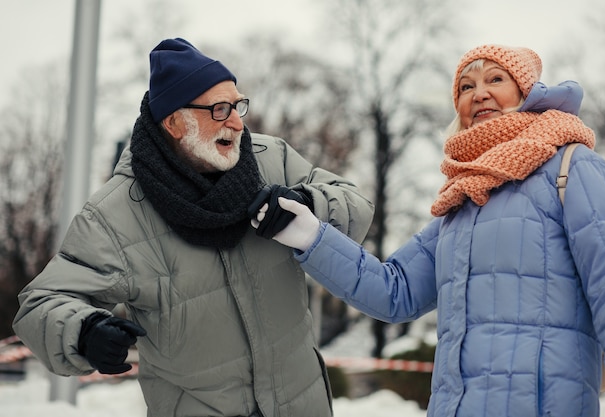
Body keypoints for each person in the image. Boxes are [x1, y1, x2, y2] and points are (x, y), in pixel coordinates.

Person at [251, 44, 605, 417]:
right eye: (466, 86)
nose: (479, 93)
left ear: (528, 93)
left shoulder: (574, 168)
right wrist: (310, 235)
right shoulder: (461, 203)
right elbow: (393, 291)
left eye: (496, 79)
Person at [12, 37, 374, 417]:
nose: (236, 123)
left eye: (238, 106)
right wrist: (83, 331)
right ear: (174, 122)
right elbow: (41, 304)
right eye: (219, 110)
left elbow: (356, 205)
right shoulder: (115, 215)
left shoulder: (274, 161)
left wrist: (309, 207)